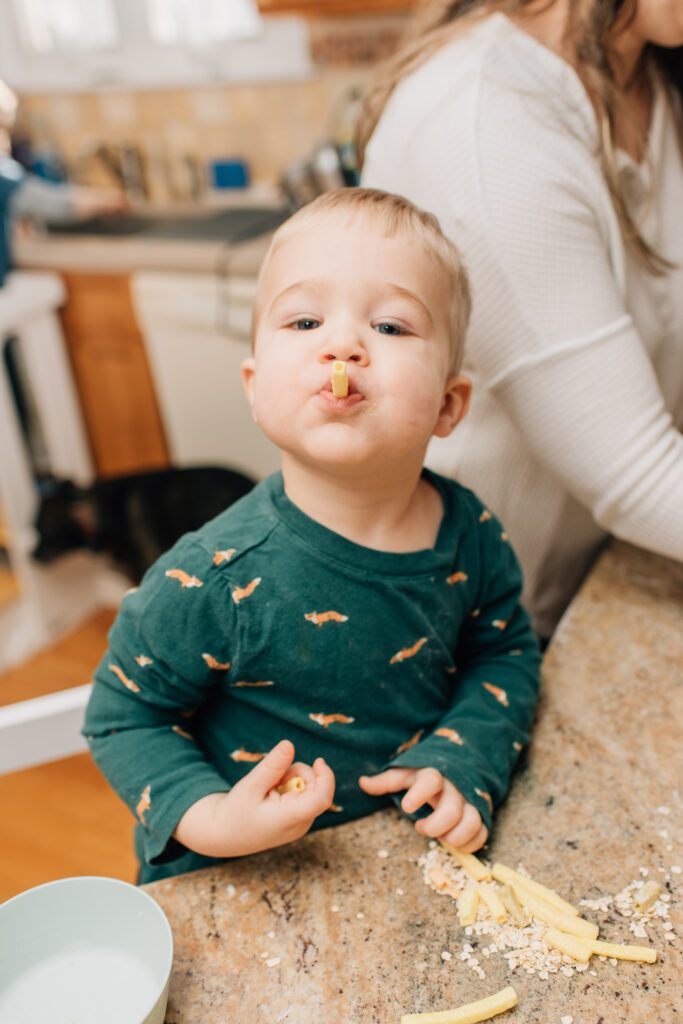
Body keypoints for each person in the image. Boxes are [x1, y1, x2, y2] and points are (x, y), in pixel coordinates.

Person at [83, 188, 541, 884]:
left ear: (448, 405)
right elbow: (121, 718)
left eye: (389, 327)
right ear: (254, 383)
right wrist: (211, 817)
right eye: (304, 320)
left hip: (400, 871)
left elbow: (504, 652)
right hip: (244, 884)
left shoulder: (469, 532)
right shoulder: (211, 577)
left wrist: (461, 754)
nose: (343, 344)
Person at [359, 0, 683, 641]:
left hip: (577, 590)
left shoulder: (648, 74)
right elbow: (636, 473)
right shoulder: (486, 122)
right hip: (451, 642)